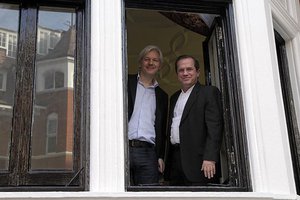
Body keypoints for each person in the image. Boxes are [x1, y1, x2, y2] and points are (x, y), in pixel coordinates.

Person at [164, 55, 223, 186]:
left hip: (200, 163)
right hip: (175, 160)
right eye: (181, 70)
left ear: (198, 72)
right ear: (177, 74)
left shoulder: (208, 92)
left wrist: (210, 158)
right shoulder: (174, 97)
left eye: (189, 69)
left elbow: (215, 127)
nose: (185, 73)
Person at [128, 45, 168, 186]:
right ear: (140, 62)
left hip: (148, 153)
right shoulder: (125, 82)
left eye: (155, 60)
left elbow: (162, 129)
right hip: (123, 148)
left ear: (160, 65)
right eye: (147, 59)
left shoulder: (162, 96)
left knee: (148, 193)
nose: (151, 63)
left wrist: (160, 156)